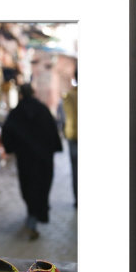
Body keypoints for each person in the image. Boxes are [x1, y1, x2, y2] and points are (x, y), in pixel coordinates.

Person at [1, 83, 62, 240]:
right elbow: (52, 130)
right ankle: (34, 217)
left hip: (25, 158)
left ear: (21, 94)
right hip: (43, 158)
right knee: (41, 186)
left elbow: (7, 131)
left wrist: (12, 148)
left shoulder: (16, 113)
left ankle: (32, 216)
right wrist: (52, 149)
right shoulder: (43, 110)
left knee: (28, 186)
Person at [62, 69, 78, 208]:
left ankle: (77, 199)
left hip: (72, 135)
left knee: (75, 169)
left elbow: (64, 116)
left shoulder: (69, 96)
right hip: (73, 135)